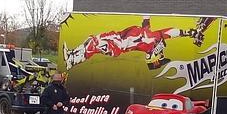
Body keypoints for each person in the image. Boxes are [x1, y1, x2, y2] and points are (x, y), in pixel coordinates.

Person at [63, 16, 214, 70]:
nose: (162, 50)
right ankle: (72, 57)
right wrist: (189, 32)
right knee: (91, 41)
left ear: (153, 55)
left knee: (93, 43)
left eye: (160, 54)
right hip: (117, 38)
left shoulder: (149, 44)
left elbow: (167, 34)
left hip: (118, 44)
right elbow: (171, 32)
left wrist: (191, 33)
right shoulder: (154, 36)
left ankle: (72, 60)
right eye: (161, 52)